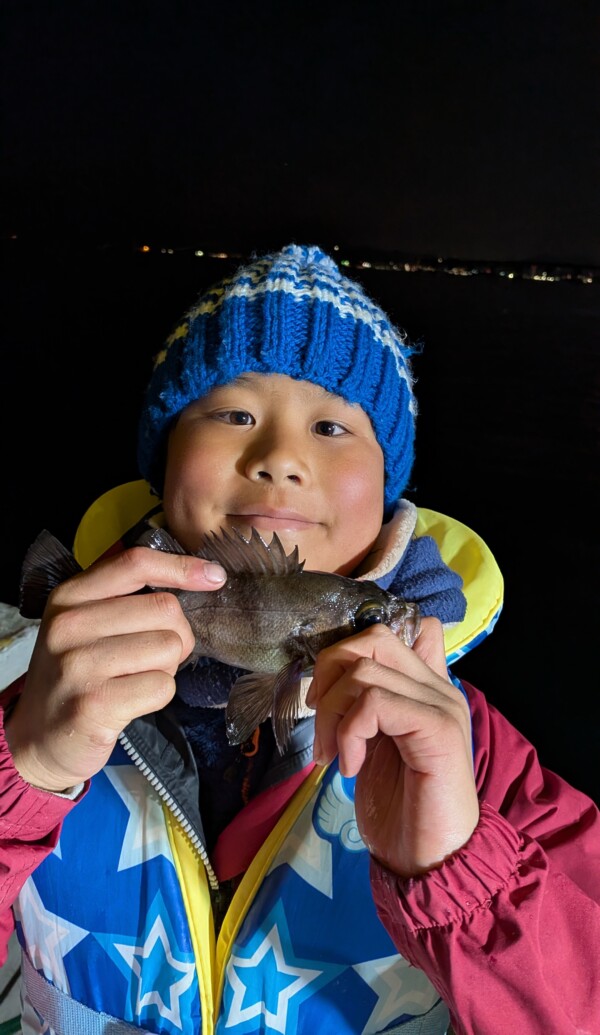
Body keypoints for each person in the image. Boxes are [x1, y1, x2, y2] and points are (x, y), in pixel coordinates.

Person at [0, 244, 598, 1035]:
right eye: (233, 414)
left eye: (330, 425)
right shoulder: (28, 689)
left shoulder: (480, 759)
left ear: (389, 490)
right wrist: (24, 773)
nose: (280, 458)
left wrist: (462, 871)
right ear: (163, 462)